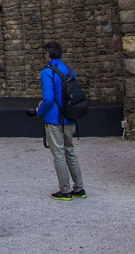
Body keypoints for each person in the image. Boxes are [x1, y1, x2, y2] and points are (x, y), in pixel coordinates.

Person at [36, 41, 85, 200]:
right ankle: (79, 188)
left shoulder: (47, 72)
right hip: (70, 116)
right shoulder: (69, 70)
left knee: (59, 153)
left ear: (48, 54)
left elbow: (48, 99)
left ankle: (65, 190)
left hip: (55, 118)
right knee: (70, 151)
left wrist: (39, 112)